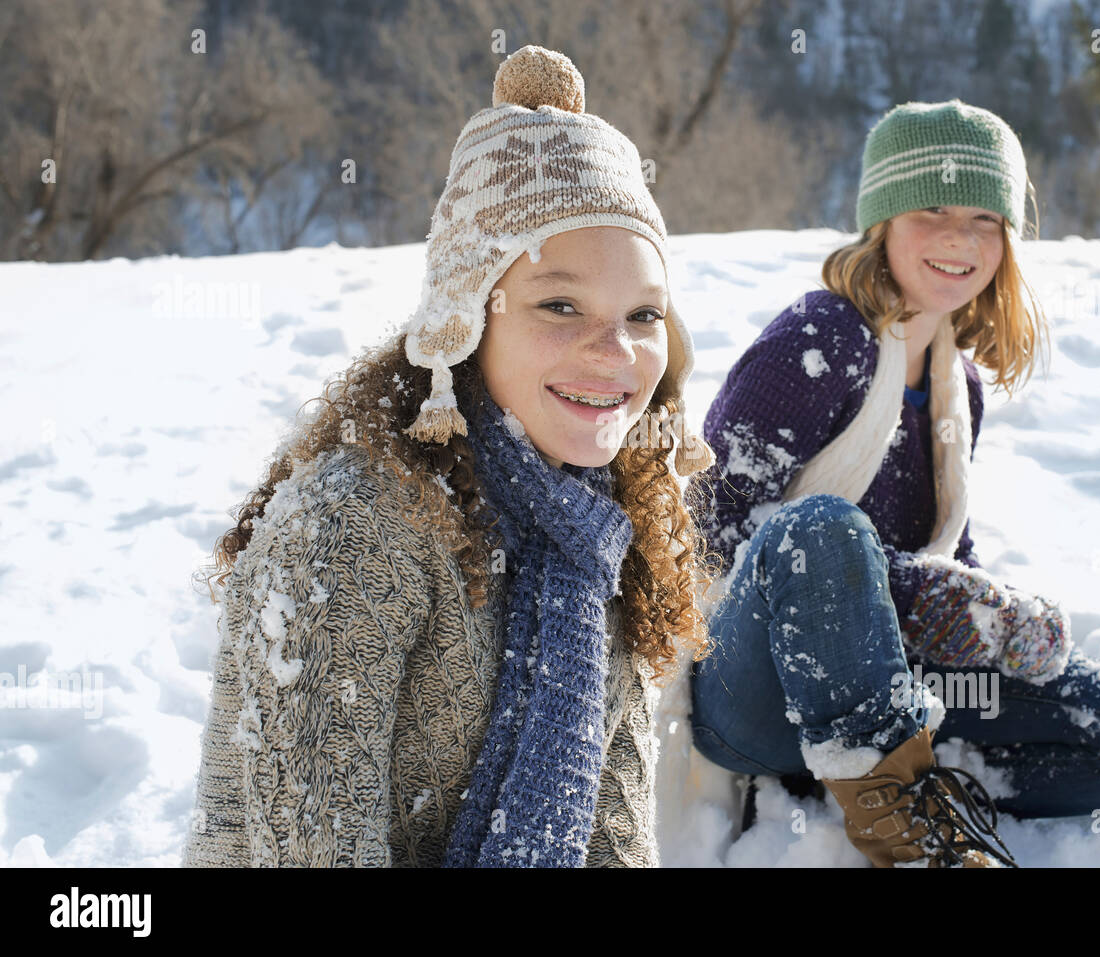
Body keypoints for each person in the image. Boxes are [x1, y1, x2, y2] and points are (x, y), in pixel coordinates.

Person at [182, 45, 717, 868]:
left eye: (643, 315)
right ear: (466, 317)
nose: (614, 352)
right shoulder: (354, 525)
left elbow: (613, 841)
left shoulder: (596, 534)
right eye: (561, 304)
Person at [692, 100, 1100, 867]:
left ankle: (895, 779)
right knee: (826, 528)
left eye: (987, 217)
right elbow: (711, 527)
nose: (962, 237)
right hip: (755, 691)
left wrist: (995, 620)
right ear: (881, 219)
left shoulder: (960, 382)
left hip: (894, 685)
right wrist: (922, 596)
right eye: (933, 208)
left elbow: (940, 549)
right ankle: (904, 829)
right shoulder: (819, 339)